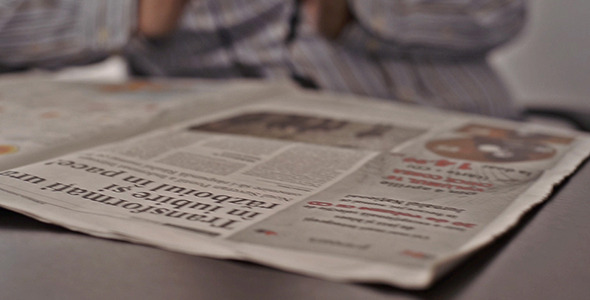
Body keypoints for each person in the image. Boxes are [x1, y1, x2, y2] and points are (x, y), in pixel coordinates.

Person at [0, 0, 526, 118]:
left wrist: (343, 11)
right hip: (213, 176)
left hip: (440, 127)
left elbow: (500, 15)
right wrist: (137, 13)